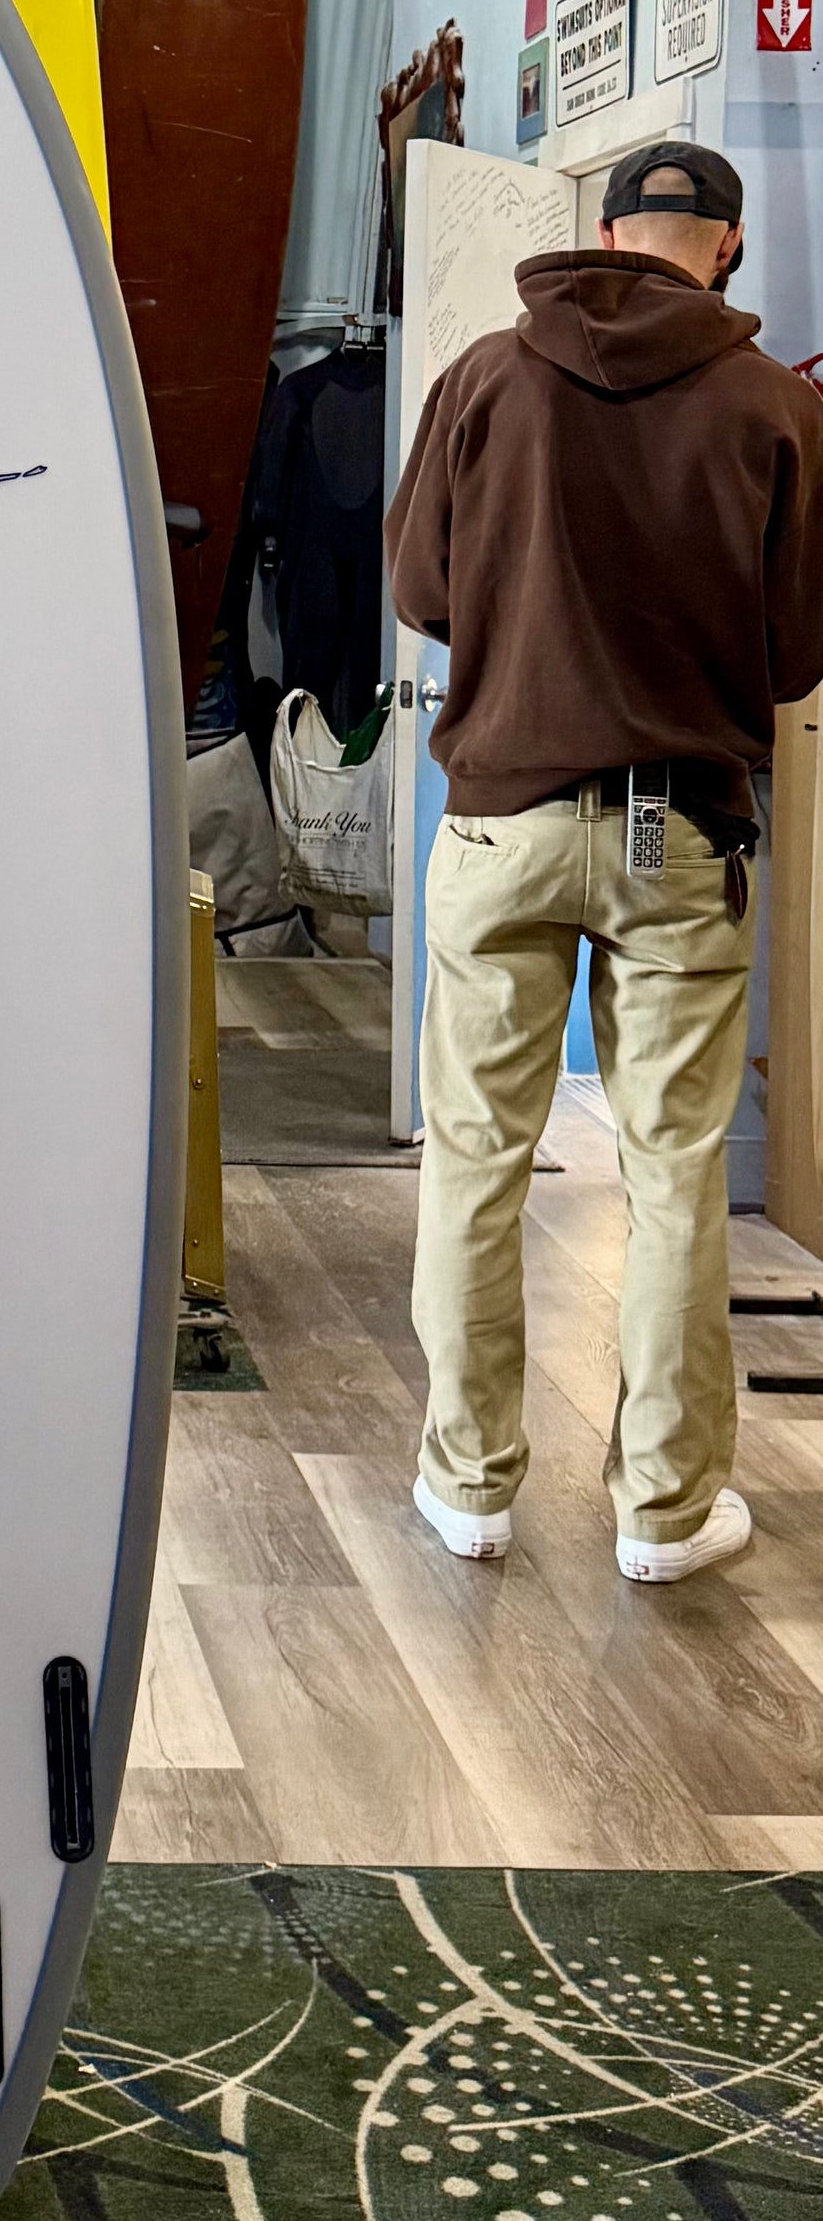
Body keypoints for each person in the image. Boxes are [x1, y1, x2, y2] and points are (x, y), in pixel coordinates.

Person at [385, 142, 823, 1582]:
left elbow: (421, 588)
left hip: (503, 817)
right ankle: (665, 1511)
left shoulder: (486, 378)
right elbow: (799, 651)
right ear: (728, 246)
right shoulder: (776, 407)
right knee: (676, 1173)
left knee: (474, 1157)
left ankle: (467, 1485)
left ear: (609, 232)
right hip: (676, 828)